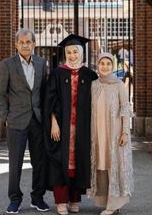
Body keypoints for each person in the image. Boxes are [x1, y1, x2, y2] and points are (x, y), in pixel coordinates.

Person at [0, 29, 49, 214]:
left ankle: (38, 198)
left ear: (34, 44)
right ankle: (15, 200)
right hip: (16, 121)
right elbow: (0, 93)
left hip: (37, 120)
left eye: (29, 42)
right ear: (16, 44)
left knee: (39, 162)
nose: (25, 45)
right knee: (15, 162)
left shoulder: (42, 63)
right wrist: (5, 116)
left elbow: (44, 92)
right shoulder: (7, 65)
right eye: (22, 42)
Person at [44, 34, 98, 215]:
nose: (72, 55)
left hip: (82, 128)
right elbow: (50, 100)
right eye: (69, 52)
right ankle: (61, 201)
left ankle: (74, 199)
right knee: (60, 161)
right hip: (62, 127)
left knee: (78, 161)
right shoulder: (57, 73)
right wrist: (54, 123)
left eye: (75, 52)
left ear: (81, 53)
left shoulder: (90, 75)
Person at [89, 52, 134, 215]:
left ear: (113, 66)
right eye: (102, 63)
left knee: (114, 164)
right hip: (98, 133)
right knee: (102, 164)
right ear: (98, 66)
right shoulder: (94, 85)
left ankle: (114, 204)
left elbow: (125, 108)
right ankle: (105, 200)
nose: (105, 66)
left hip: (114, 134)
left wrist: (125, 132)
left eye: (108, 64)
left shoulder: (118, 85)